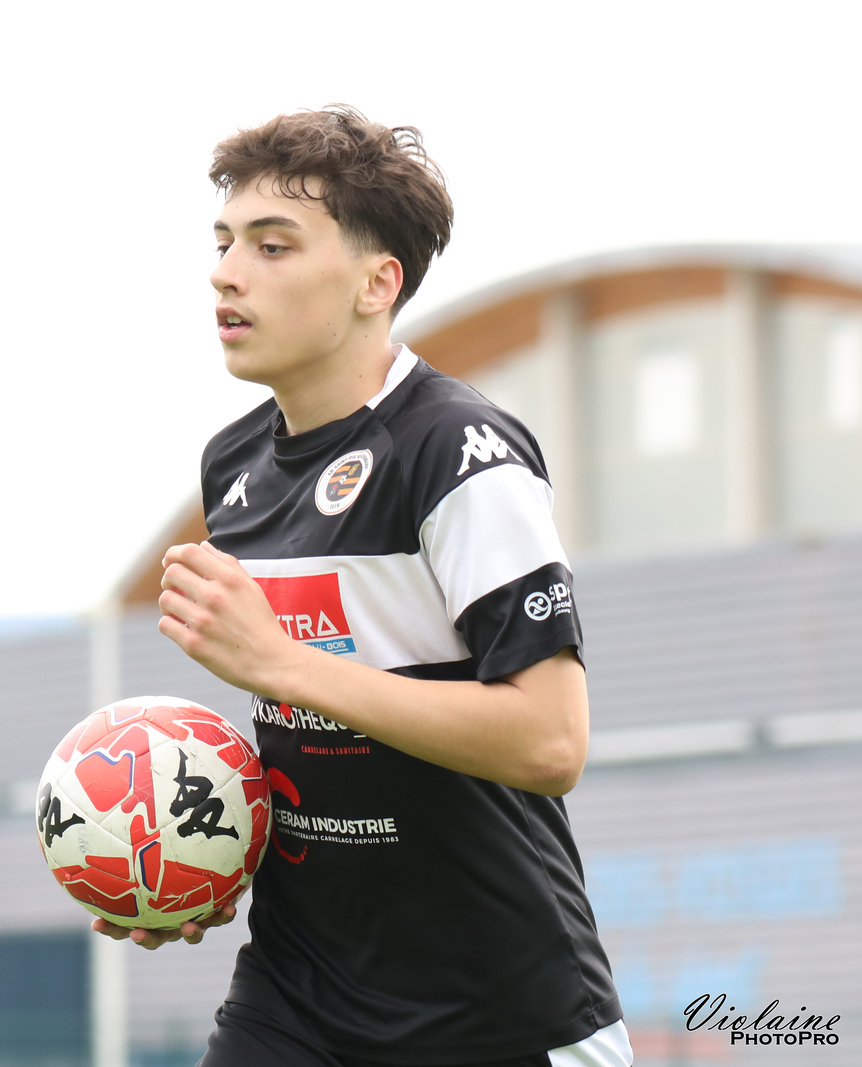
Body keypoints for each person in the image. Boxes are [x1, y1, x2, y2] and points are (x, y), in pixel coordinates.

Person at [91, 108, 631, 1067]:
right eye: (223, 242)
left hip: (495, 1012)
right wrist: (191, 858)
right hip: (297, 994)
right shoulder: (234, 467)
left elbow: (551, 740)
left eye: (272, 246)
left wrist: (282, 663)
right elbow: (319, 741)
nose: (227, 272)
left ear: (378, 283)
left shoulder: (460, 453)